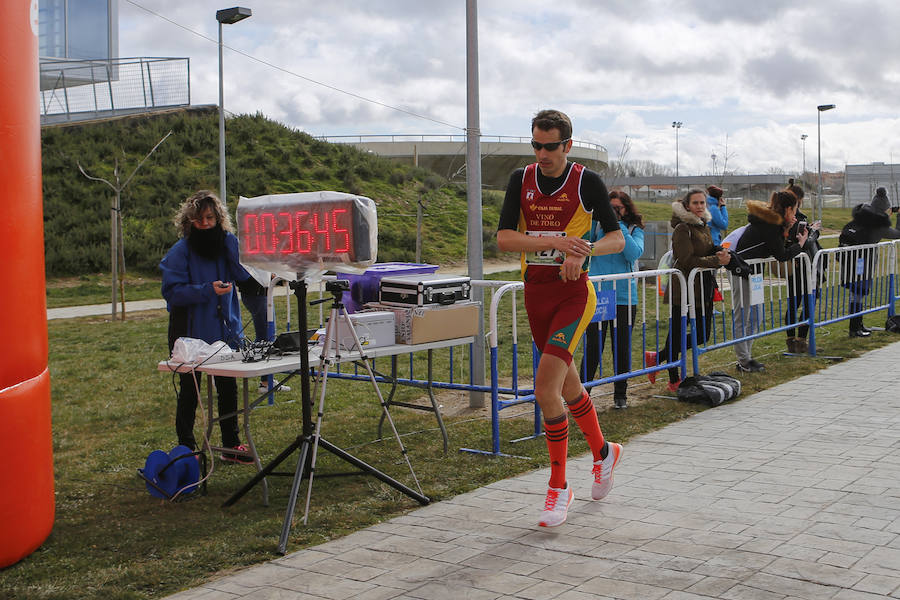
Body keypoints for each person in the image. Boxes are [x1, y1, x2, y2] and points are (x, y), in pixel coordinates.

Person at [497, 109, 625, 527]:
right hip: (536, 292)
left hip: (573, 294)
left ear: (567, 145)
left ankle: (558, 487)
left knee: (544, 390)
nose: (542, 153)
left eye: (550, 146)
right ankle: (605, 452)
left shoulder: (586, 181)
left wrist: (581, 249)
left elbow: (616, 237)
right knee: (568, 388)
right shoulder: (521, 179)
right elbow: (504, 239)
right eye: (536, 144)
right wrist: (555, 241)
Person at [160, 190, 260, 464]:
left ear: (218, 218)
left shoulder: (227, 243)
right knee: (189, 393)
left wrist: (268, 275)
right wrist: (206, 290)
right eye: (198, 219)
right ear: (188, 221)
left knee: (228, 389)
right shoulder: (179, 252)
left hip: (225, 333)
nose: (204, 223)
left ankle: (231, 445)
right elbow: (172, 292)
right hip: (189, 335)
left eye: (209, 218)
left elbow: (245, 274)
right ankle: (187, 450)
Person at [645, 190, 730, 391]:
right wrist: (716, 260)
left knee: (702, 334)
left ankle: (658, 357)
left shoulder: (702, 225)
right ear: (687, 205)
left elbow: (705, 249)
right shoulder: (683, 228)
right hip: (684, 287)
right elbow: (686, 259)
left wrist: (720, 251)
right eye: (695, 203)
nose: (700, 206)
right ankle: (674, 378)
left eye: (702, 203)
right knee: (677, 331)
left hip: (703, 286)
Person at [730, 191, 807, 372]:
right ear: (788, 209)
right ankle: (743, 361)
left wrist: (786, 231)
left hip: (755, 274)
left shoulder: (774, 224)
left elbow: (773, 246)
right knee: (743, 315)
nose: (795, 214)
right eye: (795, 209)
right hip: (740, 270)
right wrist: (800, 244)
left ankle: (747, 358)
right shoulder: (770, 223)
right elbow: (781, 255)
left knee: (756, 316)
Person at [581, 190, 644, 409]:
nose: (614, 212)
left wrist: (618, 228)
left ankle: (620, 395)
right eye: (610, 208)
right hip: (598, 296)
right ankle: (582, 395)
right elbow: (583, 246)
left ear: (627, 209)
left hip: (625, 297)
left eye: (619, 208)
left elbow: (633, 254)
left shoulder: (634, 230)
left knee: (621, 347)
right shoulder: (595, 228)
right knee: (593, 346)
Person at [839, 187, 900, 337]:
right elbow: (898, 234)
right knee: (858, 293)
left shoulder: (864, 216)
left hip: (851, 259)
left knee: (856, 292)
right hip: (861, 262)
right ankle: (855, 329)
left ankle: (858, 324)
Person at [783, 181, 822, 353]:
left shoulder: (790, 217)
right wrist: (814, 231)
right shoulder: (795, 219)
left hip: (797, 266)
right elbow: (805, 243)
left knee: (795, 303)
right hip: (802, 267)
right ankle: (798, 341)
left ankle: (794, 341)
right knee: (805, 303)